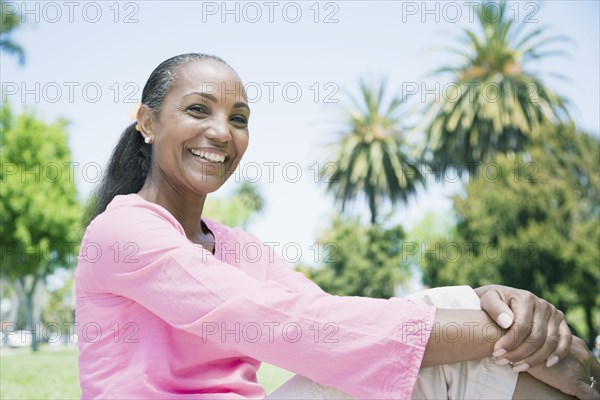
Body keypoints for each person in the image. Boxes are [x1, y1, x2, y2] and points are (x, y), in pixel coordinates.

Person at [75, 53, 600, 399]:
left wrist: (488, 301)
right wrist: (506, 331)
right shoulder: (122, 233)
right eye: (198, 109)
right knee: (473, 347)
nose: (221, 132)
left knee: (460, 356)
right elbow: (295, 327)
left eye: (238, 118)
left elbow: (337, 322)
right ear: (146, 122)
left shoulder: (240, 248)